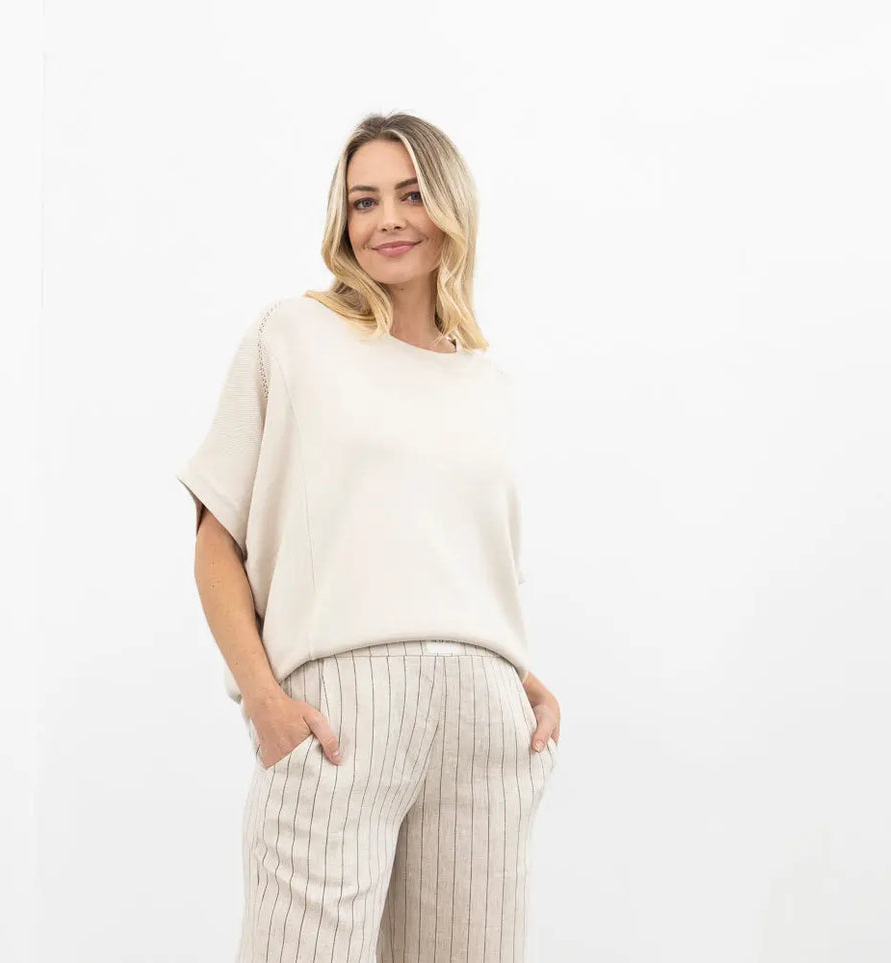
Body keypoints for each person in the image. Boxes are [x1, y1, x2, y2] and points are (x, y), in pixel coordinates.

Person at [176, 112, 564, 963]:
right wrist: (263, 700)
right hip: (339, 713)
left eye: (410, 194)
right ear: (341, 222)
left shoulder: (485, 383)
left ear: (450, 208)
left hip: (483, 724)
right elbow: (215, 540)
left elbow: (460, 563)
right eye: (363, 201)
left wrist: (522, 681)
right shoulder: (294, 335)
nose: (386, 218)